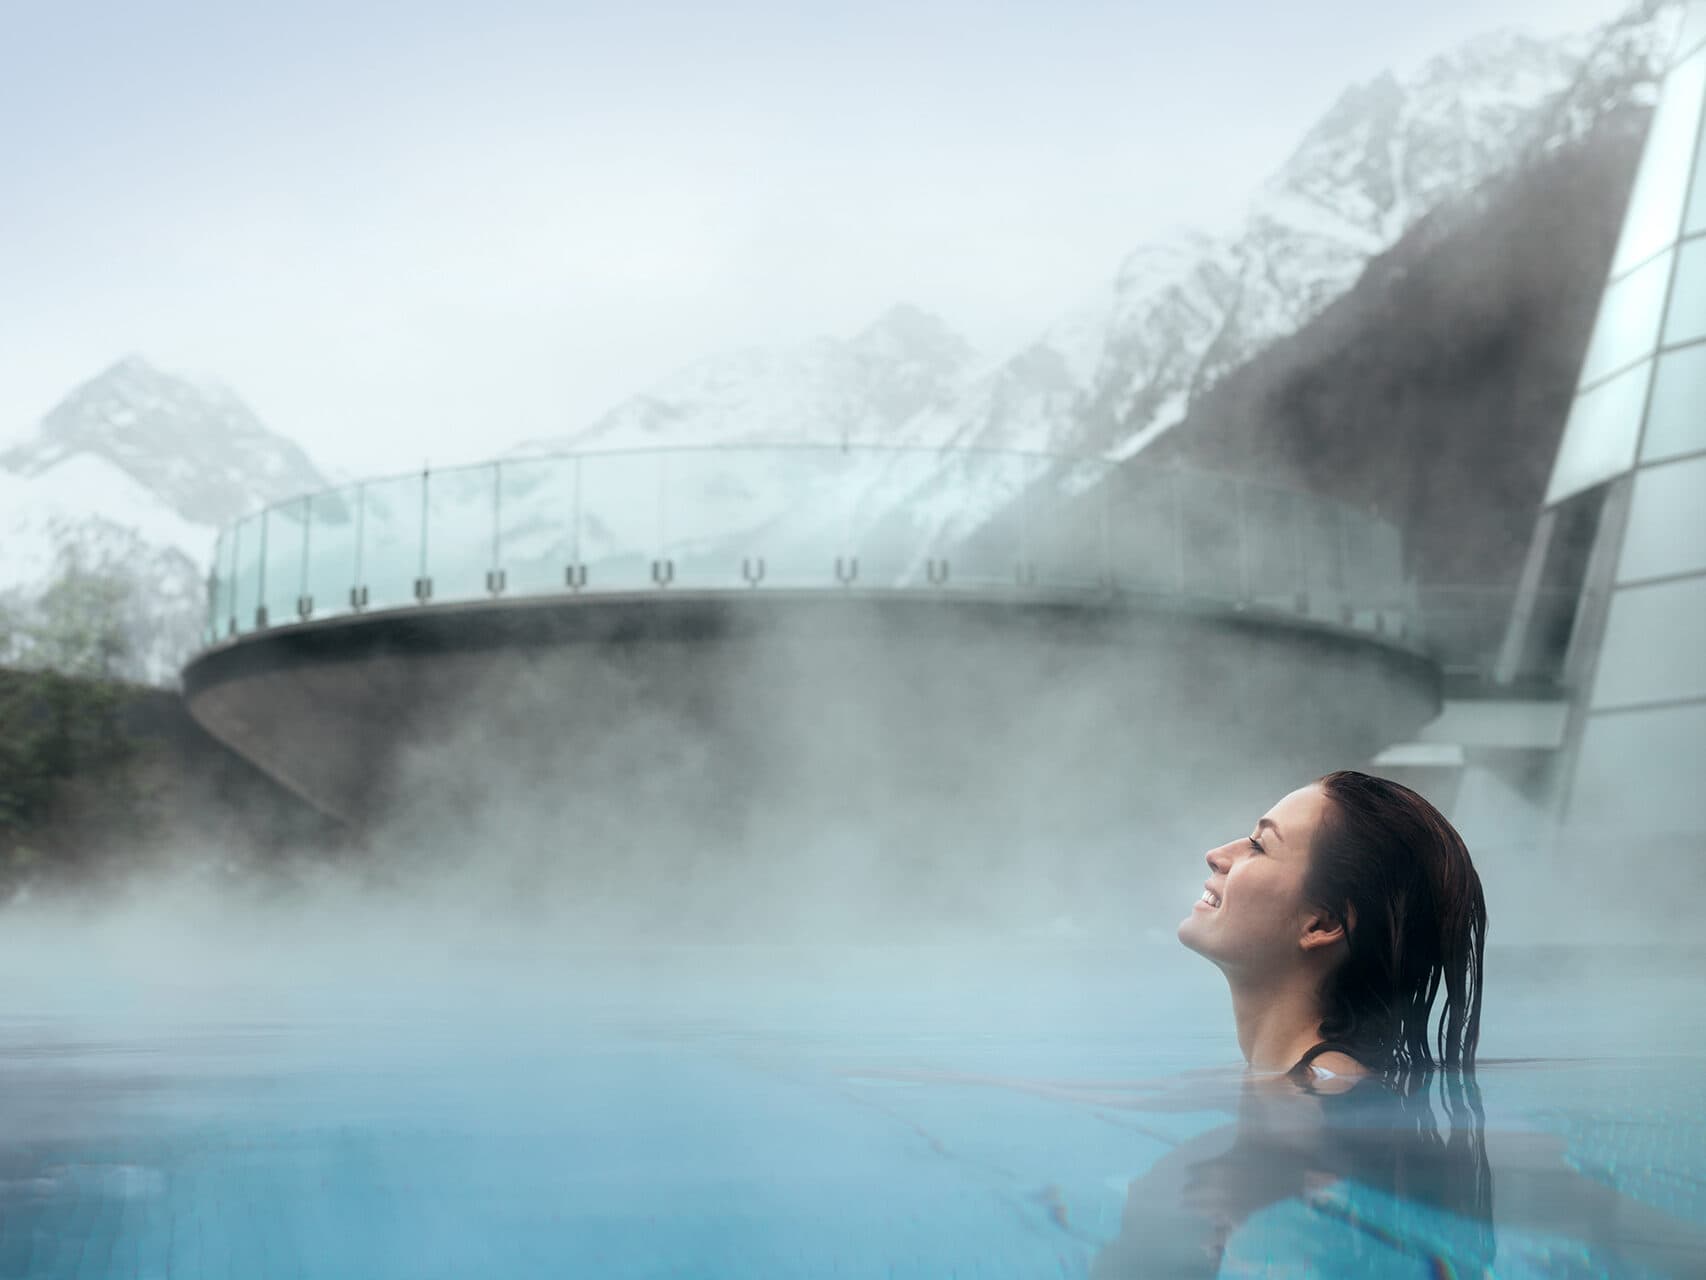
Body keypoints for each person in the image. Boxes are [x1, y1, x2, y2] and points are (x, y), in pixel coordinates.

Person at [1175, 770, 1486, 1084]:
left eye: (1259, 846)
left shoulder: (1316, 1096)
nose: (1215, 856)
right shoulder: (1290, 1083)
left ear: (1322, 924)